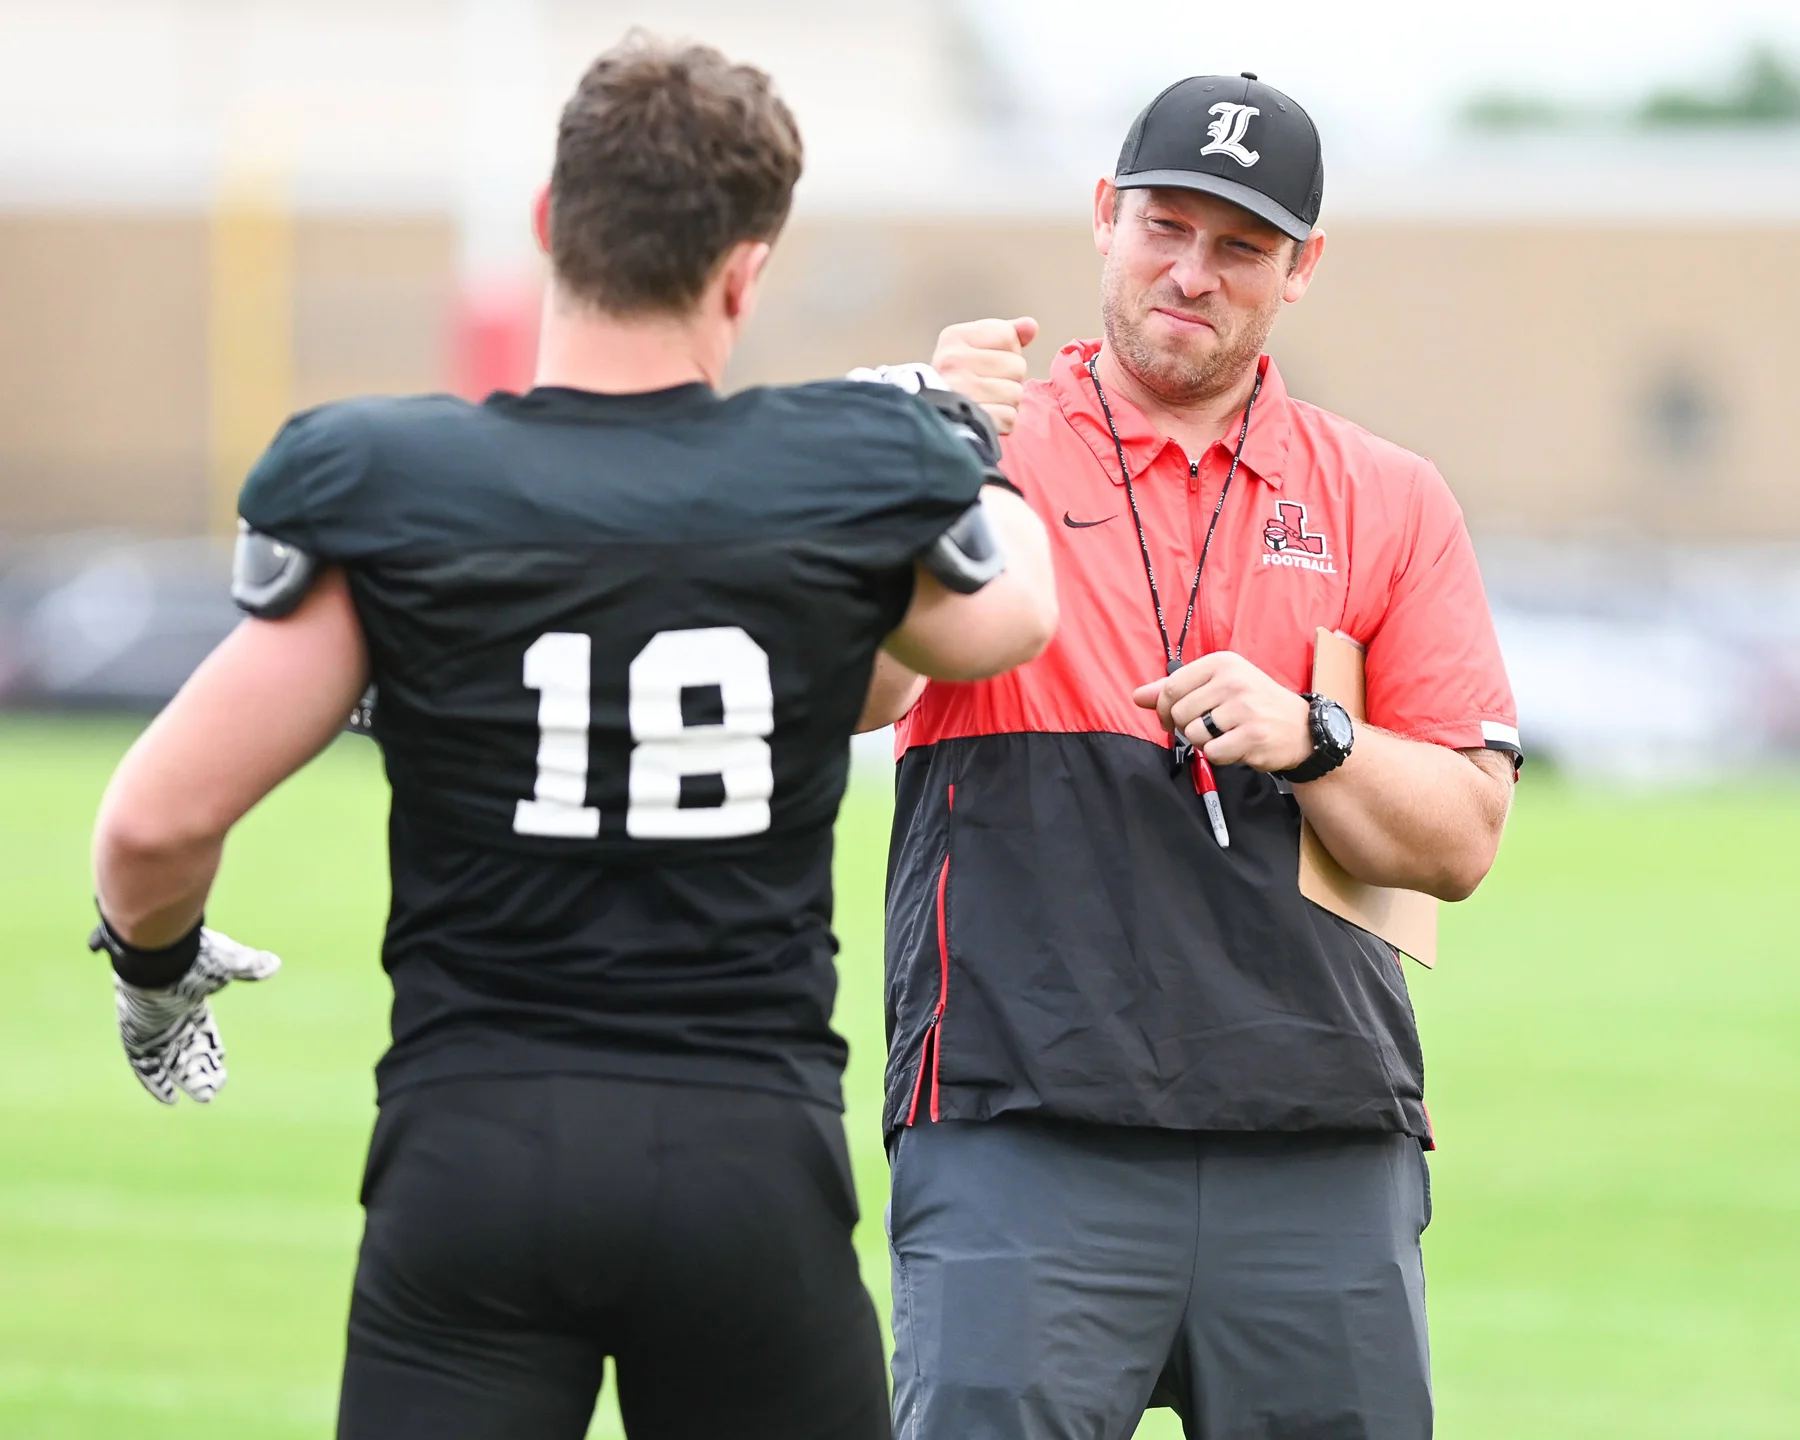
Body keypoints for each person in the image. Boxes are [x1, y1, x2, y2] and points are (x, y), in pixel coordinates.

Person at [85, 36, 1056, 1440]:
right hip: (747, 1163)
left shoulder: (400, 488)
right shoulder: (836, 481)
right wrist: (951, 438)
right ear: (747, 269)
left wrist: (156, 976)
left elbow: (156, 824)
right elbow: (997, 627)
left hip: (475, 1150)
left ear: (549, 225)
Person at [864, 74, 1520, 1439]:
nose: (1193, 274)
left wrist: (1315, 738)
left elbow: (1461, 839)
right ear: (1103, 217)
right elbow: (858, 699)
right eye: (1166, 227)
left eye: (1241, 249)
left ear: (1301, 272)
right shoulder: (981, 454)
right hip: (1017, 1127)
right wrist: (914, 463)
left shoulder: (1386, 496)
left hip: (1320, 1147)